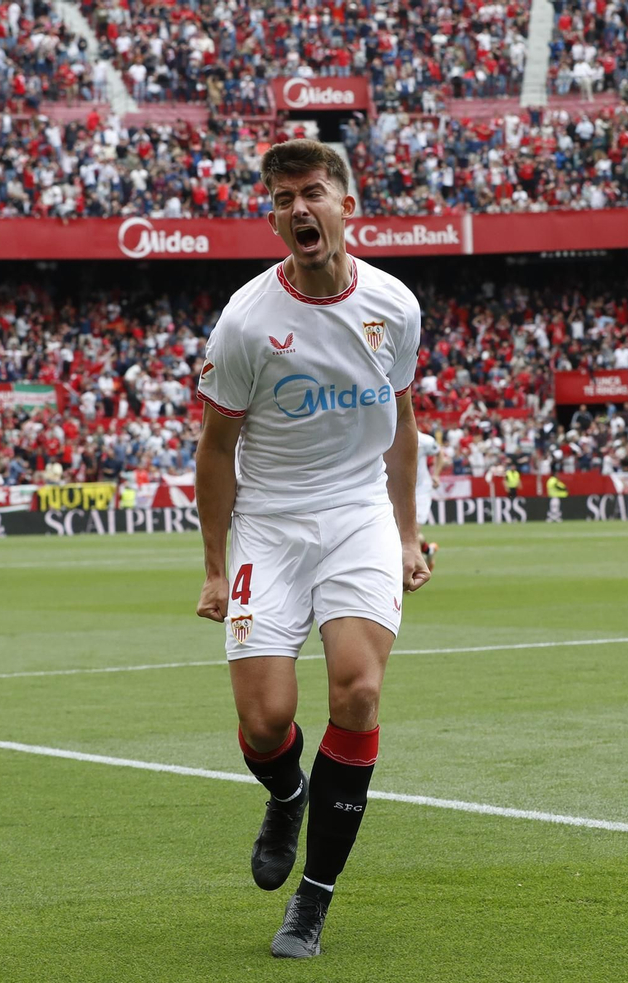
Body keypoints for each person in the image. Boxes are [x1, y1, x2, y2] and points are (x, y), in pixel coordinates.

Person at [192, 139, 431, 960]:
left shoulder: (395, 305)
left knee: (358, 690)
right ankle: (287, 790)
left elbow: (403, 425)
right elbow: (215, 448)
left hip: (359, 515)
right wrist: (215, 565)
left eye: (314, 192)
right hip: (270, 523)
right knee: (265, 723)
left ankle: (313, 899)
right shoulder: (247, 320)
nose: (300, 207)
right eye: (284, 197)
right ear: (273, 217)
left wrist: (407, 532)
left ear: (345, 205)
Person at [415, 428, 441, 569]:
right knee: (402, 533)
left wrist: (436, 474)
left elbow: (439, 453)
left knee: (411, 533)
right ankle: (428, 550)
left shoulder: (424, 440)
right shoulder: (389, 436)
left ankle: (414, 573)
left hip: (420, 492)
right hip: (399, 491)